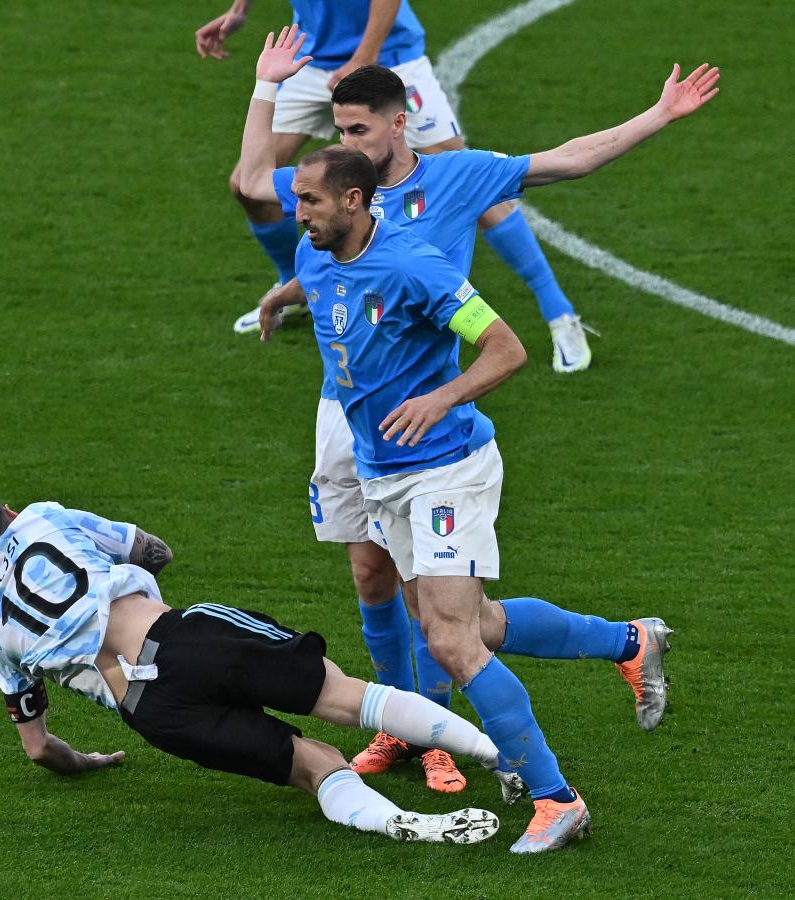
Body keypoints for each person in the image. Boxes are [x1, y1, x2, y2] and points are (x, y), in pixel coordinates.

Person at [241, 27, 701, 781]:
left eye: (358, 128)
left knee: (443, 613)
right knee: (375, 579)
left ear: (401, 120)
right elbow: (293, 224)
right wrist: (287, 289)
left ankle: (438, 734)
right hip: (349, 405)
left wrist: (656, 115)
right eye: (339, 129)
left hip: (426, 409)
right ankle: (418, 722)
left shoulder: (455, 179)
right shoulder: (325, 200)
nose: (346, 139)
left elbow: (570, 158)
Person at [271, 141, 632, 852]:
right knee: (476, 622)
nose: (296, 212)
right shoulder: (315, 252)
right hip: (384, 476)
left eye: (308, 200)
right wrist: (276, 299)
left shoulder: (414, 268)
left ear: (351, 200)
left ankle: (556, 798)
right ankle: (628, 640)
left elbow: (504, 348)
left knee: (447, 640)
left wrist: (440, 398)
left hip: (447, 468)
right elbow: (314, 283)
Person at [0, 484, 525, 844]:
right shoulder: (44, 517)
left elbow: (39, 748)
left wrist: (87, 761)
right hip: (181, 636)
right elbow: (153, 549)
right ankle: (499, 756)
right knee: (348, 698)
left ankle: (407, 826)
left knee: (313, 765)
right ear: (8, 510)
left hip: (152, 710)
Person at [198, 2, 593, 372]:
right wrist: (239, 10)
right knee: (246, 187)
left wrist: (361, 60)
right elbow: (255, 180)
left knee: (470, 189)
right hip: (312, 60)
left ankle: (558, 312)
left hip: (388, 59)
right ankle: (295, 287)